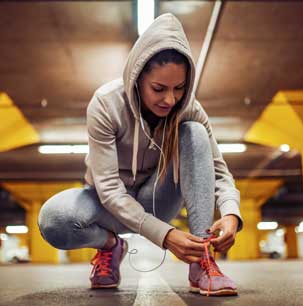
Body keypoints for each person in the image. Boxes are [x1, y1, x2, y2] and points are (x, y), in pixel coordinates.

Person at [38, 13, 243, 296]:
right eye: (158, 88)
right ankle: (111, 246)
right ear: (137, 78)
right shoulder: (106, 104)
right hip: (105, 204)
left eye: (179, 89)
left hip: (156, 199)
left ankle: (202, 261)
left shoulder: (189, 109)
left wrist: (232, 213)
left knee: (194, 132)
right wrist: (166, 236)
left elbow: (219, 171)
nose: (170, 99)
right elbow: (109, 189)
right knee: (54, 220)